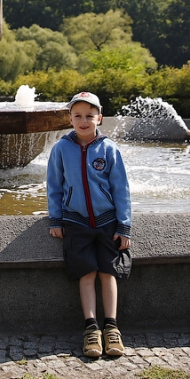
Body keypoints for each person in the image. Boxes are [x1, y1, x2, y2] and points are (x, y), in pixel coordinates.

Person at [47, 91, 132, 358]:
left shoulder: (109, 149)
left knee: (108, 273)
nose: (83, 121)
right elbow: (54, 186)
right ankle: (91, 328)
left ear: (100, 118)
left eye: (89, 116)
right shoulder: (61, 148)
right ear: (70, 118)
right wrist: (56, 218)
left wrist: (124, 225)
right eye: (78, 116)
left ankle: (112, 327)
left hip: (108, 222)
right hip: (75, 222)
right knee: (87, 274)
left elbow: (121, 189)